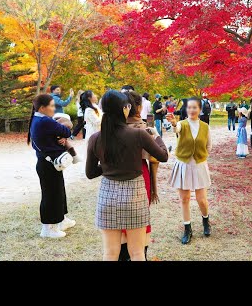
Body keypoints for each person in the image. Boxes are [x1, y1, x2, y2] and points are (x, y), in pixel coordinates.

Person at [86, 90, 168, 261]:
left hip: (107, 197)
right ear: (125, 108)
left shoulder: (95, 138)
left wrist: (109, 165)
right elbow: (163, 156)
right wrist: (157, 136)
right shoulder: (139, 134)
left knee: (110, 253)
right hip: (135, 196)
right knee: (137, 253)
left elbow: (90, 173)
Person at [119, 90, 161, 261]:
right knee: (140, 219)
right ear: (138, 107)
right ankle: (139, 255)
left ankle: (125, 256)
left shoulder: (111, 128)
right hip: (139, 174)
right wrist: (156, 135)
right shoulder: (143, 129)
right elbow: (159, 156)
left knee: (120, 219)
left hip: (116, 178)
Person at [28, 94, 77, 238]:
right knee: (51, 195)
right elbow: (67, 131)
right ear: (42, 108)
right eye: (51, 105)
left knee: (58, 191)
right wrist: (62, 133)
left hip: (47, 163)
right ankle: (48, 229)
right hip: (48, 164)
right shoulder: (45, 121)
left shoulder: (38, 119)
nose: (54, 108)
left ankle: (61, 220)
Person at [166, 97, 212, 244]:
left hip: (199, 164)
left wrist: (202, 157)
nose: (192, 110)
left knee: (201, 200)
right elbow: (176, 128)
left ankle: (206, 220)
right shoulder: (181, 124)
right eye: (189, 107)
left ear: (200, 109)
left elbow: (209, 146)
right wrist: (173, 123)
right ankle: (187, 229)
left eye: (195, 108)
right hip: (183, 164)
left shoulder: (205, 127)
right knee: (184, 199)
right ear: (186, 109)